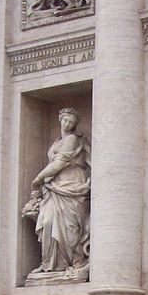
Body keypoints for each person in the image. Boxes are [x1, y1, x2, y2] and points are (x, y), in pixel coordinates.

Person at [23, 108, 91, 277]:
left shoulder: (72, 139)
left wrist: (38, 178)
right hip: (55, 186)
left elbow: (59, 163)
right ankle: (49, 264)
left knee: (70, 226)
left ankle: (69, 262)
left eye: (71, 122)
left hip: (72, 183)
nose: (67, 124)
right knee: (47, 221)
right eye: (65, 120)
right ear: (60, 120)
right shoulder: (55, 143)